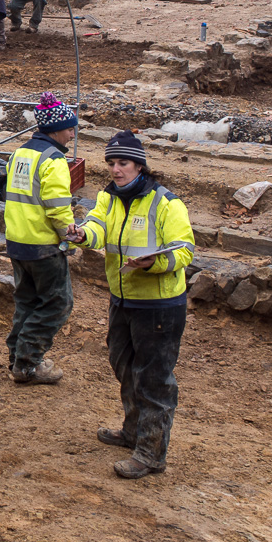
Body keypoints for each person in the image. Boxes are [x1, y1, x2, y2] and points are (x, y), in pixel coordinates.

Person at [66, 131, 195, 480]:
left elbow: (184, 250)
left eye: (122, 163)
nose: (115, 169)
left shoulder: (166, 203)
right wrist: (81, 235)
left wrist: (153, 263)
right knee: (123, 364)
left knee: (153, 378)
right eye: (111, 163)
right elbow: (96, 228)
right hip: (123, 298)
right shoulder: (108, 198)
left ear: (139, 165)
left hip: (159, 304)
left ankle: (151, 453)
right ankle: (134, 431)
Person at [4, 93, 77, 386]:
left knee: (26, 301)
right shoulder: (54, 160)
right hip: (43, 245)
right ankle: (28, 363)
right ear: (55, 129)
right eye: (70, 127)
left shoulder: (20, 153)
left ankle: (17, 358)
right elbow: (58, 208)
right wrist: (69, 237)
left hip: (18, 241)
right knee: (57, 303)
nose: (72, 133)